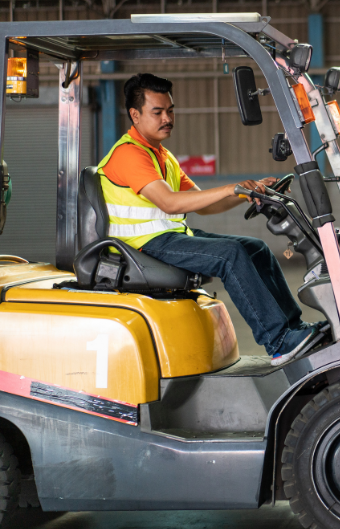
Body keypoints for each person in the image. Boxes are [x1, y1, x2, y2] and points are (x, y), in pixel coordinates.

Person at [99, 73, 325, 366]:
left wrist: (248, 192)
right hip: (140, 247)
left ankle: (293, 329)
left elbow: (203, 205)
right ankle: (278, 341)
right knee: (230, 255)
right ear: (135, 115)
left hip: (168, 237)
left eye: (170, 110)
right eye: (158, 112)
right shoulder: (130, 155)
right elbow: (169, 203)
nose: (167, 118)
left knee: (255, 248)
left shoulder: (162, 156)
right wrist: (231, 187)